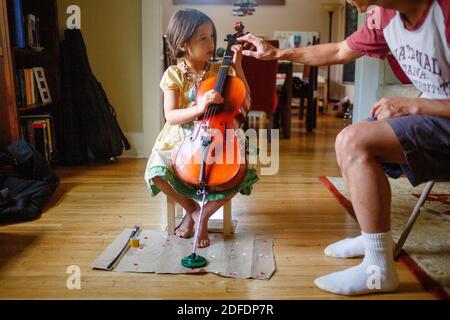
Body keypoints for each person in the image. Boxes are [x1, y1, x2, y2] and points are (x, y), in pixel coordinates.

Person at [238, 0, 450, 296]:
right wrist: (277, 53)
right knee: (351, 137)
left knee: (355, 141)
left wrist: (416, 103)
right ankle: (373, 239)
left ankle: (378, 272)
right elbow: (339, 50)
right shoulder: (386, 16)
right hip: (433, 115)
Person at [145, 9, 259, 249]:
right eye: (203, 38)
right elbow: (171, 115)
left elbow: (245, 104)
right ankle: (192, 209)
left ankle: (204, 215)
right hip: (181, 137)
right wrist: (199, 108)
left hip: (218, 134)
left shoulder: (220, 72)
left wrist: (237, 66)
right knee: (156, 171)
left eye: (212, 37)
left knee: (241, 169)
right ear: (184, 45)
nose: (212, 44)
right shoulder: (174, 75)